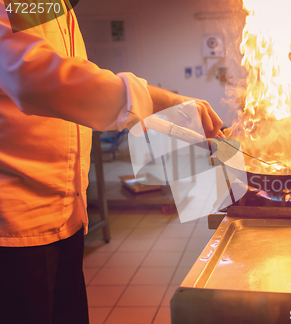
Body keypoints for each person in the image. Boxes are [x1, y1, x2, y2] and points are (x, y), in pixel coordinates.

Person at [0, 1, 223, 323]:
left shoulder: (53, 7)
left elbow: (73, 78)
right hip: (15, 221)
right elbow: (33, 77)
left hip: (65, 214)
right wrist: (164, 100)